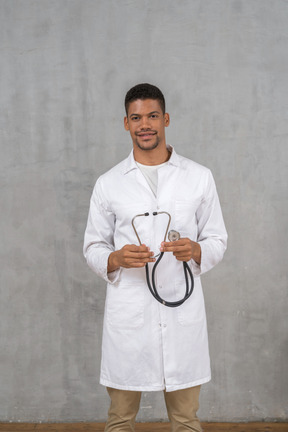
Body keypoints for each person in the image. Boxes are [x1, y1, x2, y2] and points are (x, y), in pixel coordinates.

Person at [83, 83, 227, 432]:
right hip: (129, 314)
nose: (144, 124)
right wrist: (115, 258)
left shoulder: (198, 177)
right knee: (119, 420)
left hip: (181, 311)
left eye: (151, 116)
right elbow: (92, 246)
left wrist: (195, 250)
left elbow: (217, 239)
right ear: (126, 123)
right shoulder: (109, 183)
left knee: (186, 420)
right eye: (136, 118)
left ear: (165, 119)